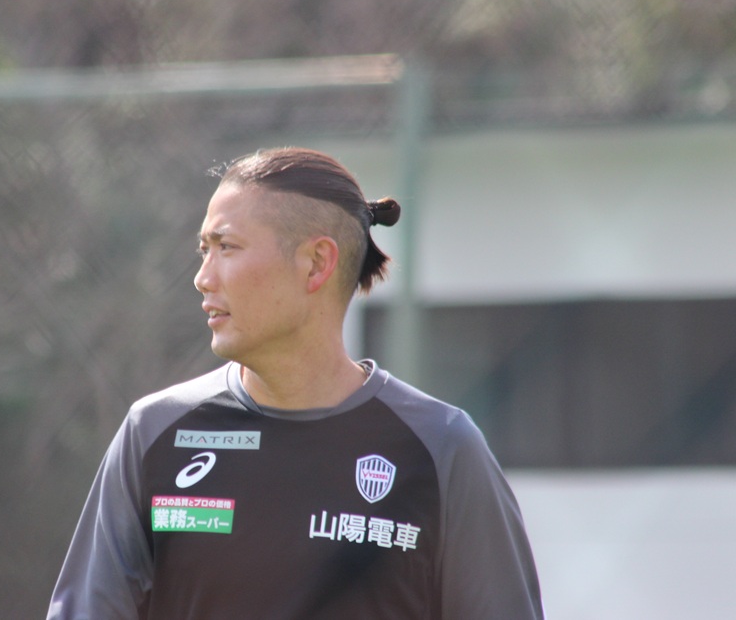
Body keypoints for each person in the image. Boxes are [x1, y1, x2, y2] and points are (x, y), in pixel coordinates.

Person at [46, 147, 544, 619]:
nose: (202, 277)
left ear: (316, 263)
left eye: (226, 247)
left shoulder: (441, 447)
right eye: (204, 250)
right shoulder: (155, 433)